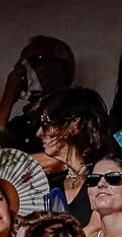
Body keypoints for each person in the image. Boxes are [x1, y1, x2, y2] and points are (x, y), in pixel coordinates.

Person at [39, 88, 114, 225]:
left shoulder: (107, 179)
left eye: (45, 124)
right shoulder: (49, 186)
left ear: (74, 124)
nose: (39, 133)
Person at [0, 36, 77, 153]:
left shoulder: (76, 109)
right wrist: (8, 97)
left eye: (35, 61)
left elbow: (68, 154)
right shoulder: (20, 124)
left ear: (61, 69)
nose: (23, 70)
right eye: (20, 65)